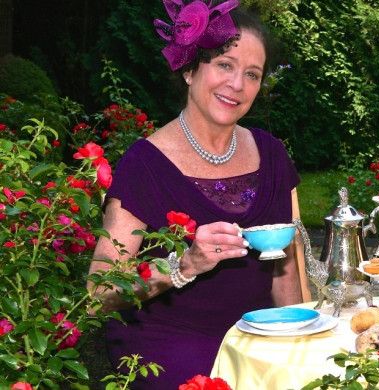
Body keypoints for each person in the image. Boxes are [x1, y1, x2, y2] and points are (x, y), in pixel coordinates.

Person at [87, 1, 303, 388]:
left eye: (252, 74)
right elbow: (99, 292)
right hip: (167, 346)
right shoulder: (145, 164)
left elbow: (288, 270)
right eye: (224, 64)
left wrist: (300, 351)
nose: (237, 84)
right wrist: (183, 266)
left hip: (256, 343)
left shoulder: (273, 156)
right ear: (189, 69)